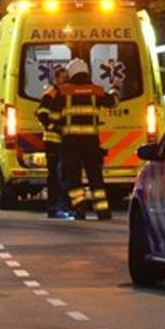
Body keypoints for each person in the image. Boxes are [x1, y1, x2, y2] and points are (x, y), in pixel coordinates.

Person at [53, 58, 120, 220]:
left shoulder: (63, 92)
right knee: (96, 178)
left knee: (73, 178)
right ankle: (103, 211)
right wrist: (115, 88)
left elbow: (54, 116)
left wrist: (56, 130)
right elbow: (113, 102)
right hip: (91, 143)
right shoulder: (96, 91)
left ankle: (79, 209)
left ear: (71, 74)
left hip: (70, 143)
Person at [35, 66, 73, 219]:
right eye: (62, 78)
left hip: (64, 141)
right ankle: (54, 207)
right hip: (53, 140)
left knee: (63, 175)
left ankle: (60, 206)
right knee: (55, 177)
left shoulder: (66, 93)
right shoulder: (51, 93)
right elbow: (41, 113)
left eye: (66, 77)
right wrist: (54, 127)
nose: (65, 80)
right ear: (56, 79)